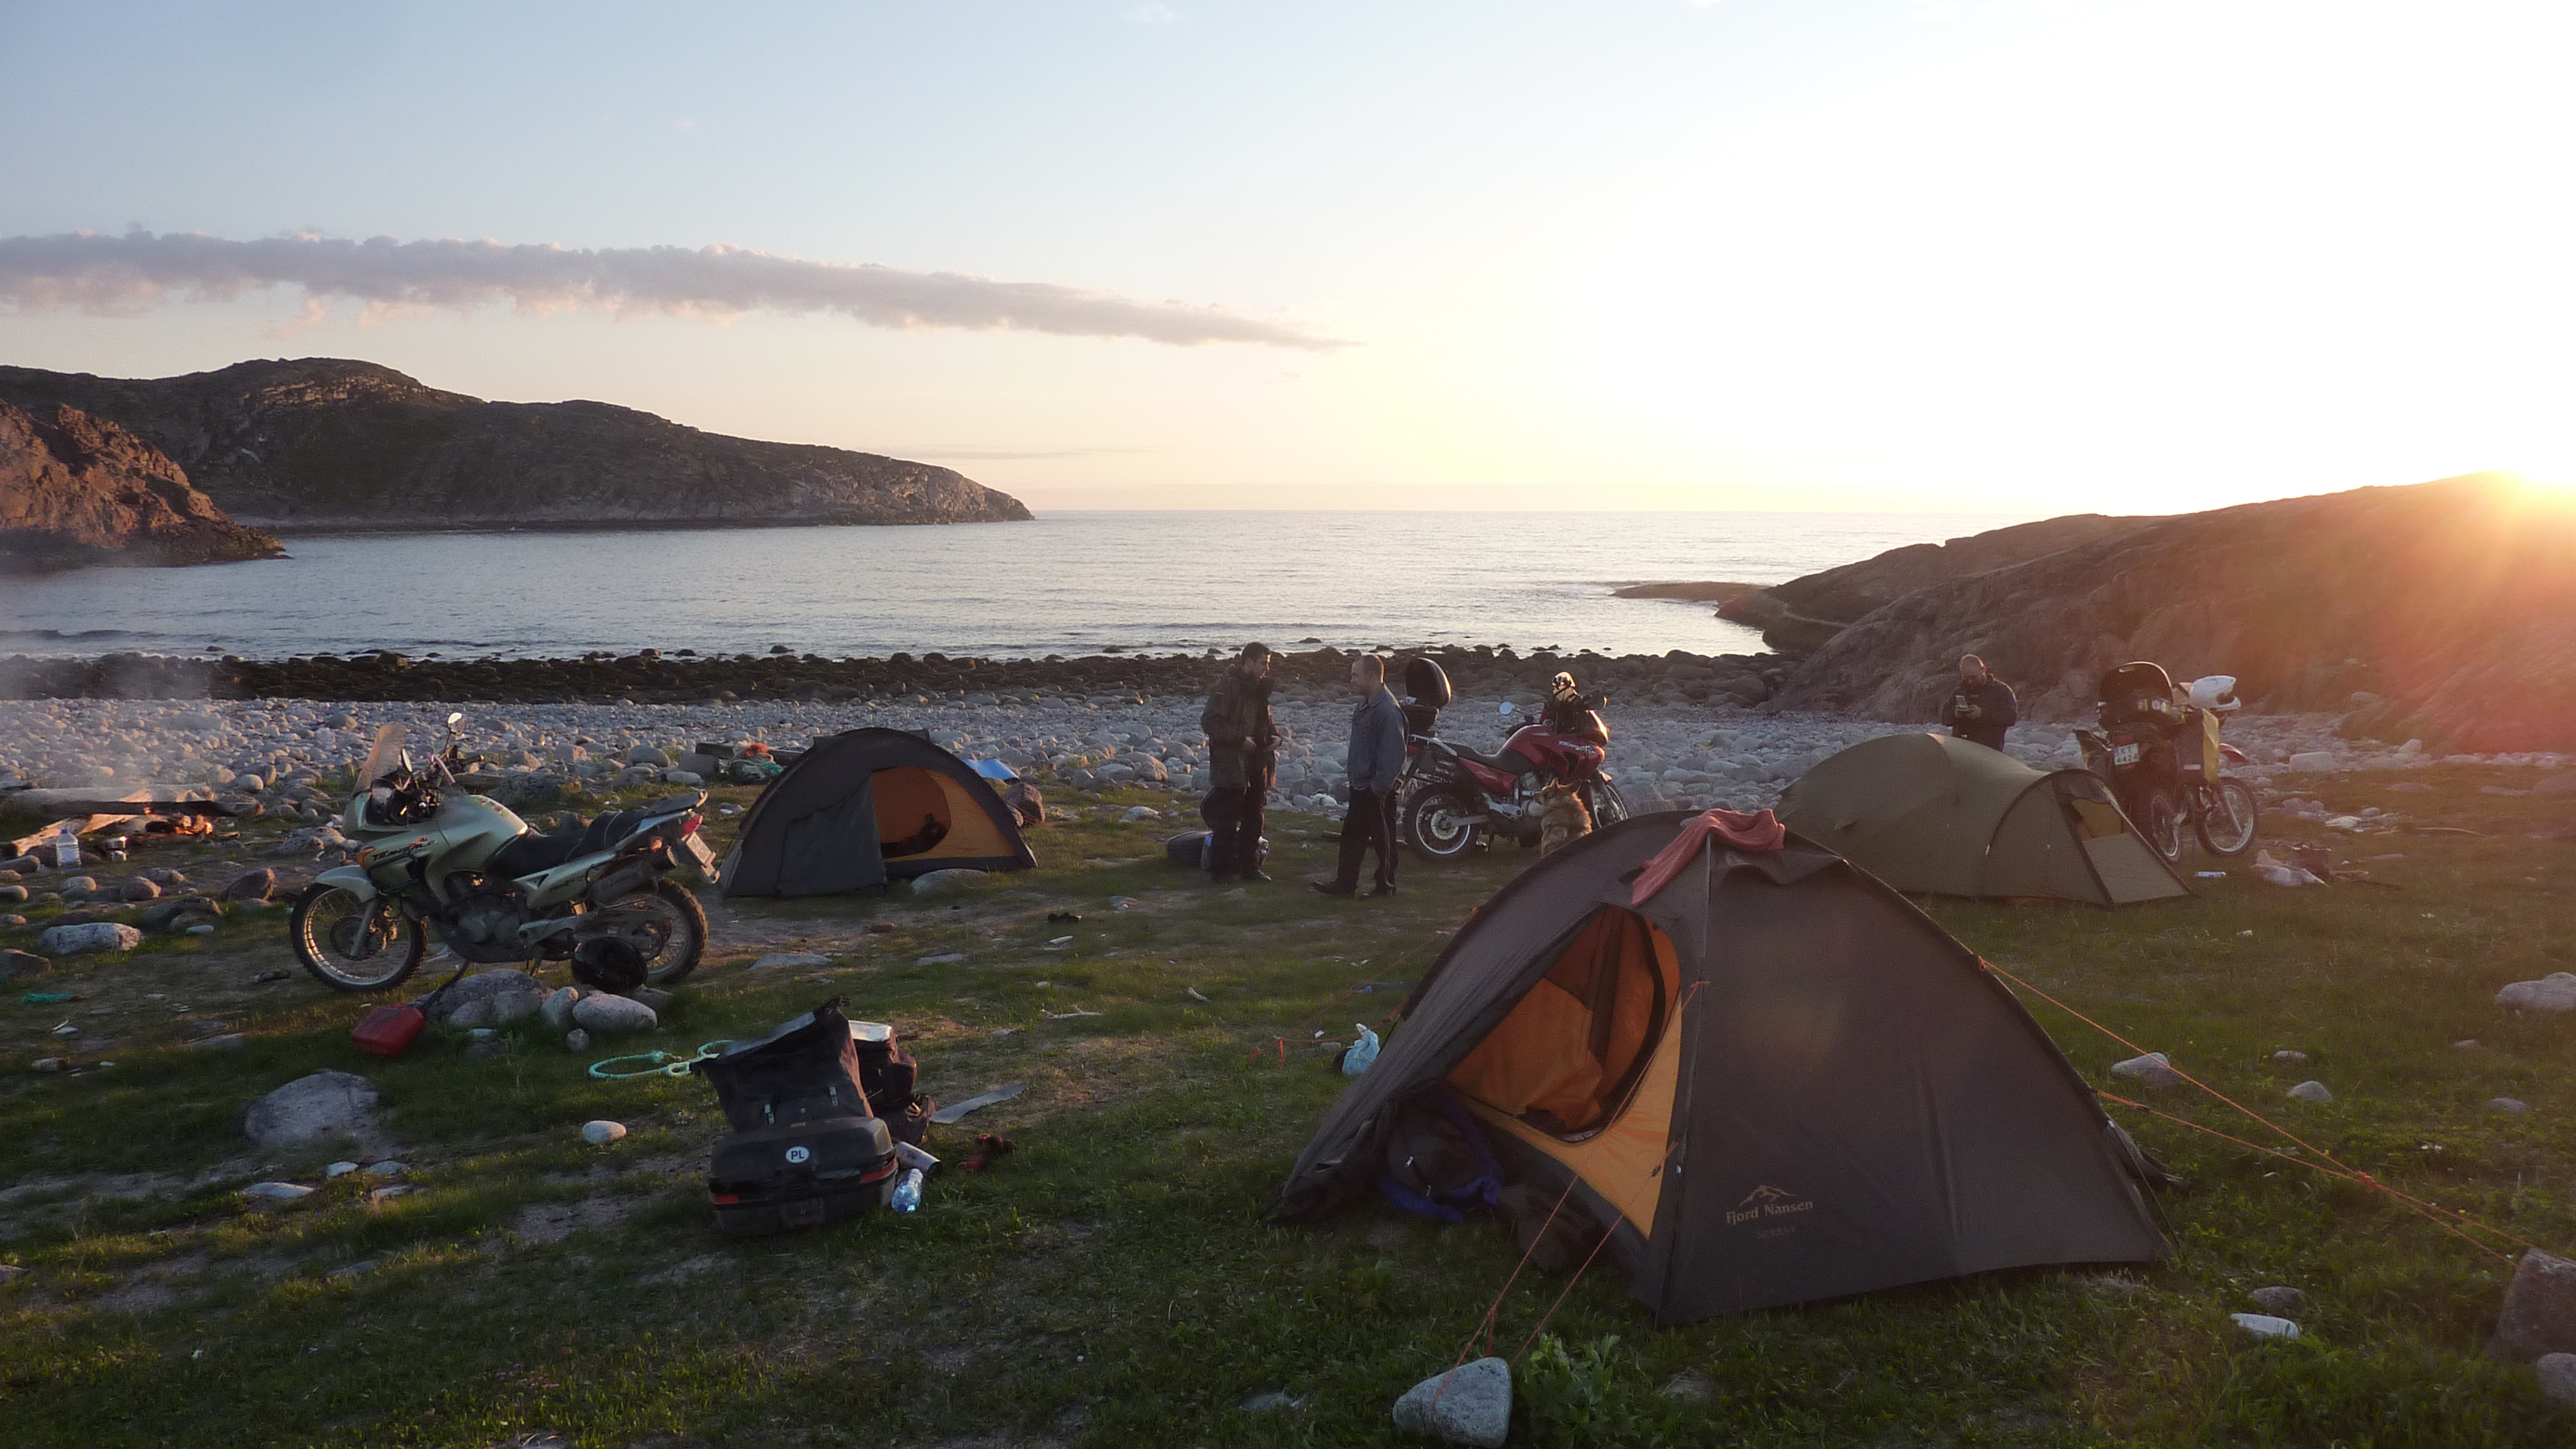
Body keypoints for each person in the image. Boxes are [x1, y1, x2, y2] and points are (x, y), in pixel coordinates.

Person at [1312, 654, 1406, 898]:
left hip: (1377, 789)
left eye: (1356, 675)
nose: (1351, 680)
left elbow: (1395, 753)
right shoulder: (1365, 704)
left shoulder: (1387, 709)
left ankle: (1385, 886)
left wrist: (1379, 787)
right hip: (1361, 785)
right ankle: (1345, 885)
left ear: (1371, 676)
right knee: (1352, 835)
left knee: (1383, 839)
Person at [1198, 641, 1278, 882]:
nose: (1266, 669)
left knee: (1254, 817)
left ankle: (1250, 868)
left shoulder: (1260, 689)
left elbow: (1265, 721)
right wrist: (1240, 740)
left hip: (1258, 762)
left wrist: (1276, 737)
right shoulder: (1228, 687)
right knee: (1227, 820)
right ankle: (1221, 872)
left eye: (1267, 664)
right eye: (1263, 663)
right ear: (1249, 662)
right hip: (1231, 764)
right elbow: (1210, 721)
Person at [1946, 654, 2018, 752]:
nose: (1970, 681)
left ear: (1983, 670)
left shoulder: (2002, 691)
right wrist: (1956, 714)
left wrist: (1982, 714)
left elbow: (2011, 718)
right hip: (1961, 749)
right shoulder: (1960, 690)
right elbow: (1944, 719)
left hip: (1988, 750)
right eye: (1966, 678)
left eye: (1973, 677)